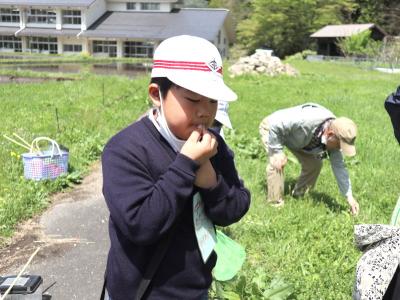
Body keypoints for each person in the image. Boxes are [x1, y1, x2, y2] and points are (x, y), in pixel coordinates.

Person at [101, 35, 251, 300]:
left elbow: (235, 207)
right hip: (141, 292)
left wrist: (211, 184)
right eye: (193, 100)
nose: (205, 112)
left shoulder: (214, 146)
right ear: (156, 94)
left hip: (195, 289)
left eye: (213, 101)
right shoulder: (125, 149)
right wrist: (186, 164)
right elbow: (140, 225)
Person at [259, 103, 359, 215]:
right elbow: (277, 125)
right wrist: (277, 152)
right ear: (330, 134)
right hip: (272, 129)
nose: (339, 149)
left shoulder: (337, 134)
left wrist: (349, 196)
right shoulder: (306, 120)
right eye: (339, 145)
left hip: (299, 139)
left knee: (314, 164)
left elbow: (339, 167)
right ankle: (275, 204)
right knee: (277, 162)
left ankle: (299, 195)